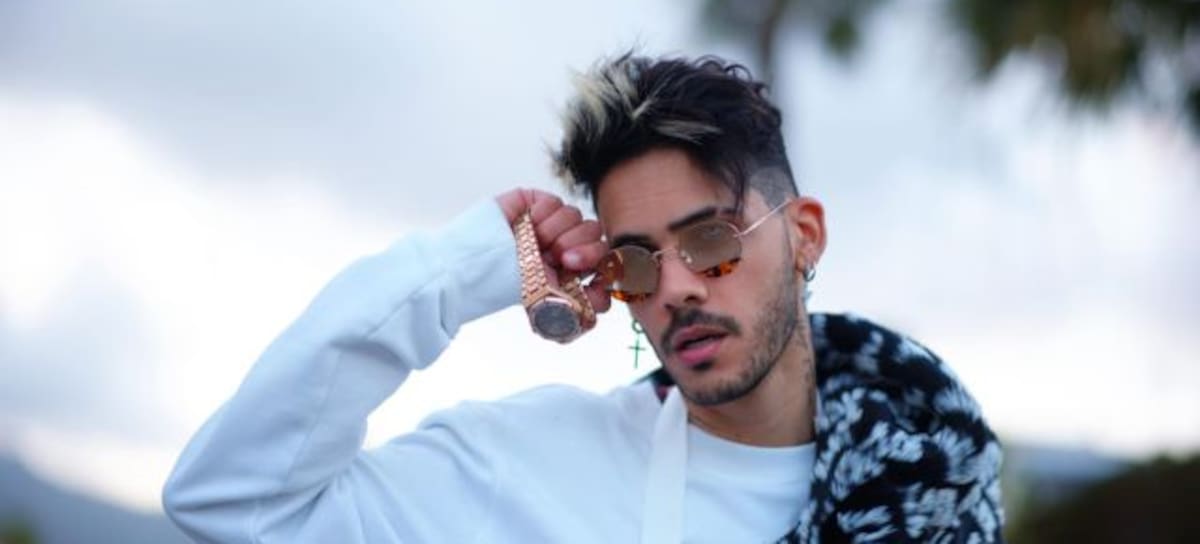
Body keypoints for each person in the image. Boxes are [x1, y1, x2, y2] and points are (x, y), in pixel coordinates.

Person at [163, 52, 1004, 543]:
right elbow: (231, 500)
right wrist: (460, 270)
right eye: (635, 261)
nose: (674, 289)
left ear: (805, 236)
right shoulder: (529, 465)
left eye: (712, 241)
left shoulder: (940, 473)